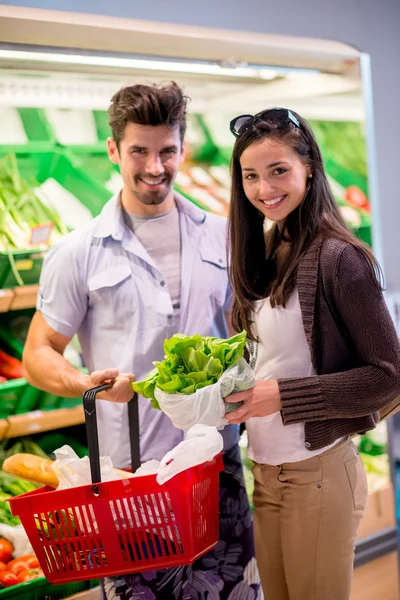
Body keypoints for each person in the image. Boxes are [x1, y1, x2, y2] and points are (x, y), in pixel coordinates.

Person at [22, 83, 262, 600]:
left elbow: (252, 336)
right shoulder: (77, 252)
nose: (155, 166)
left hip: (216, 468)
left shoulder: (223, 236)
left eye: (167, 151)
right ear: (113, 150)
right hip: (130, 481)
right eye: (139, 151)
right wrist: (82, 382)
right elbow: (38, 354)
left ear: (182, 147)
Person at [223, 108, 400, 600]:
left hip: (317, 472)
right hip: (266, 471)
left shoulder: (339, 258)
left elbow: (389, 375)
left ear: (309, 168)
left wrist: (281, 396)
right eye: (251, 176)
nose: (264, 188)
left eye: (279, 170)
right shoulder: (263, 247)